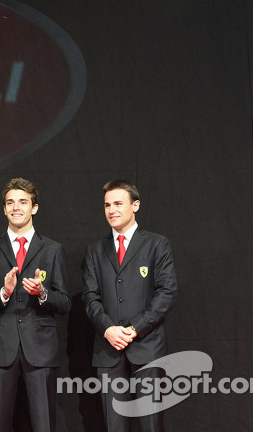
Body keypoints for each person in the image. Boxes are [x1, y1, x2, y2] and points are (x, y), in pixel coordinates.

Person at [0, 177, 71, 432]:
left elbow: (65, 302)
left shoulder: (53, 250)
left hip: (40, 349)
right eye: (10, 202)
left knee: (43, 423)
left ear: (34, 207)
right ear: (4, 209)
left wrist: (43, 293)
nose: (16, 207)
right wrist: (2, 293)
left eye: (23, 202)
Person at [82, 180, 178, 431]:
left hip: (147, 346)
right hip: (108, 349)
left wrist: (134, 328)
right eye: (107, 205)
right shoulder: (95, 250)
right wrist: (108, 329)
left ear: (135, 205)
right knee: (113, 424)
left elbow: (166, 292)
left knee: (151, 424)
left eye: (118, 203)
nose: (111, 210)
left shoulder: (157, 244)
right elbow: (90, 297)